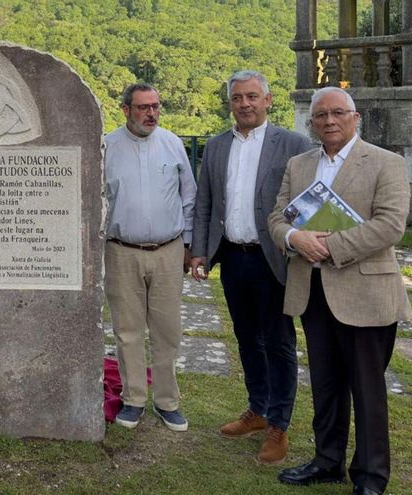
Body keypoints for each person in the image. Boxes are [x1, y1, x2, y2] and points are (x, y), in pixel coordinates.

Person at [269, 87, 411, 495]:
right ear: (312, 123)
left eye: (337, 113)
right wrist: (295, 237)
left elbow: (390, 225)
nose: (329, 121)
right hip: (312, 292)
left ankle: (370, 477)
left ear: (355, 117)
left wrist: (329, 246)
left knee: (367, 389)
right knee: (327, 384)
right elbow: (278, 216)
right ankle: (327, 461)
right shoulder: (299, 163)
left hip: (365, 294)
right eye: (321, 115)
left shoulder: (387, 163)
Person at [190, 70, 311, 464]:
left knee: (278, 342)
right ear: (230, 103)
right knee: (246, 338)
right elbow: (206, 202)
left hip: (274, 258)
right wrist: (199, 252)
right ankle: (258, 409)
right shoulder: (216, 146)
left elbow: (308, 202)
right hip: (233, 257)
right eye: (237, 97)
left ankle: (279, 425)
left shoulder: (293, 143)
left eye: (252, 96)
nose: (245, 103)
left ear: (268, 100)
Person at [103, 83, 196, 432]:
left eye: (156, 106)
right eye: (143, 107)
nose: (151, 113)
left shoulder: (172, 144)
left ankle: (168, 402)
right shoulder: (108, 147)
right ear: (126, 110)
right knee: (127, 330)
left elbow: (189, 197)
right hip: (121, 251)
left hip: (168, 251)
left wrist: (188, 245)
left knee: (167, 329)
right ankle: (133, 399)